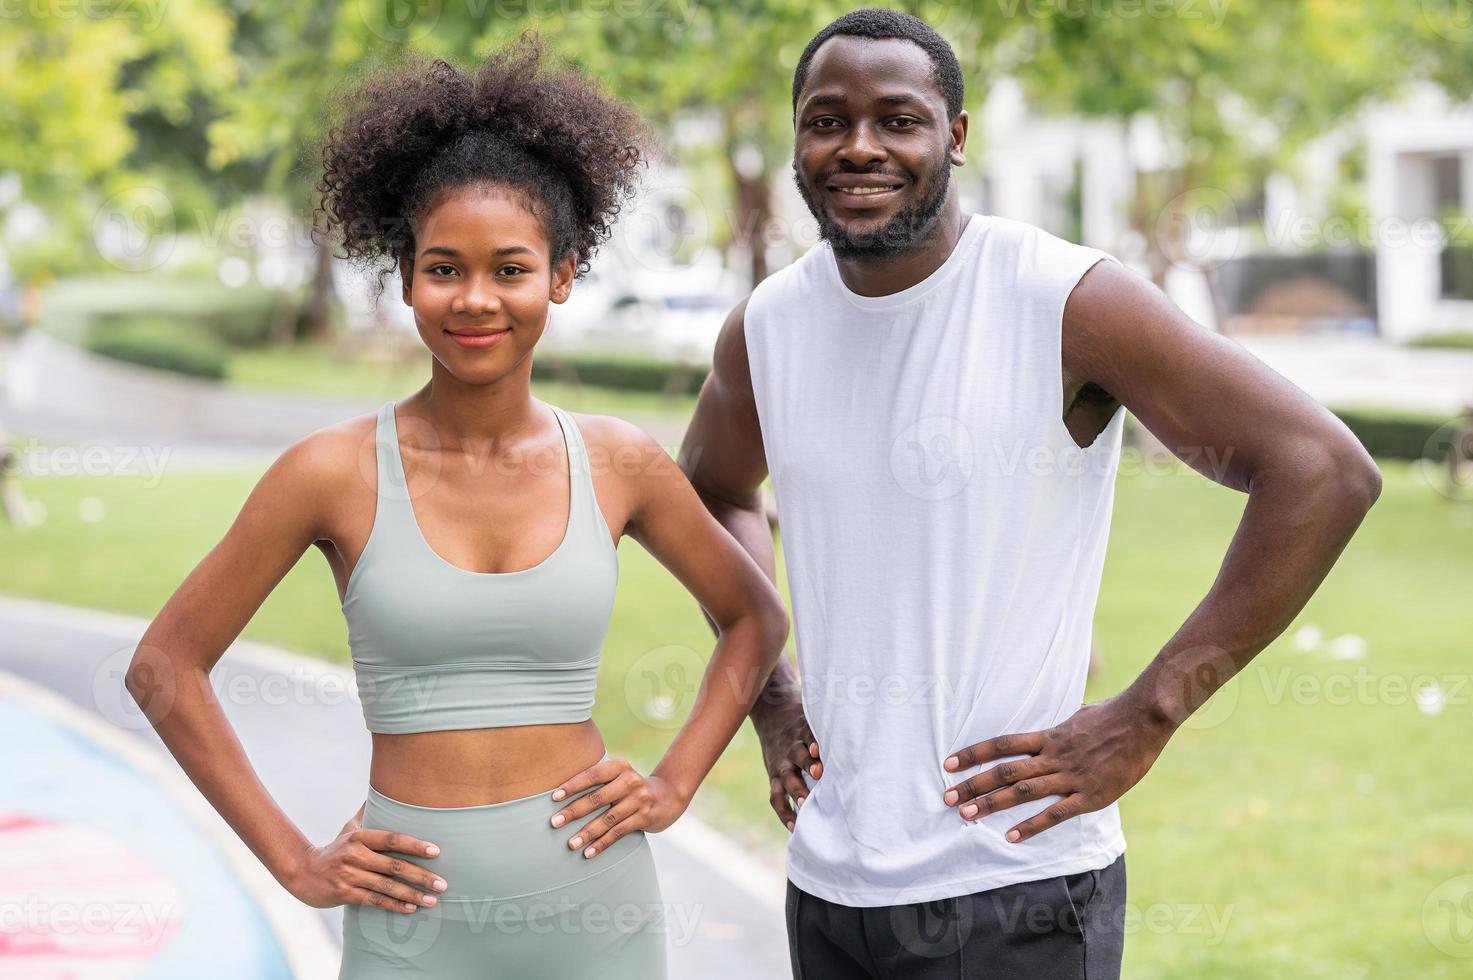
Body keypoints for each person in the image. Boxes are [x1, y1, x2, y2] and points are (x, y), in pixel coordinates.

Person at [677, 9, 1382, 978]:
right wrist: (770, 689)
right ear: (795, 137)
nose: (859, 147)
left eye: (898, 118)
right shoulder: (765, 327)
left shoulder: (1065, 300)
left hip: (1017, 885)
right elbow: (713, 491)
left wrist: (1148, 713)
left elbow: (1322, 470)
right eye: (827, 120)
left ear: (955, 137)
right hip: (831, 883)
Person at [126, 35, 789, 979]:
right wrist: (294, 860)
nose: (475, 299)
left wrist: (675, 782)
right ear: (403, 278)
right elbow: (165, 667)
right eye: (444, 268)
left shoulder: (618, 462)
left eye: (510, 269)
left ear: (560, 276)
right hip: (412, 917)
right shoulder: (328, 472)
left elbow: (753, 617)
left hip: (592, 902)